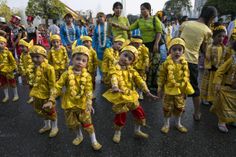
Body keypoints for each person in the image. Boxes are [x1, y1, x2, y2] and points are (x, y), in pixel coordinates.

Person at [45, 46, 102, 150]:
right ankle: (79, 136)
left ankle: (94, 140)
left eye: (83, 60)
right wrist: (51, 99)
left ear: (86, 63)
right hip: (69, 103)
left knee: (88, 123)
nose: (80, 62)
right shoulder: (66, 74)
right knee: (74, 123)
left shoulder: (87, 76)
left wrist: (89, 104)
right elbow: (58, 86)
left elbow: (89, 91)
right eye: (78, 59)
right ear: (72, 59)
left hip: (83, 104)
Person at [103, 45, 157, 143]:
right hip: (119, 95)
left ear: (132, 62)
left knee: (139, 112)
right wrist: (115, 86)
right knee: (120, 115)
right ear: (120, 54)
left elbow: (139, 80)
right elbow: (113, 77)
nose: (126, 59)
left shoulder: (131, 70)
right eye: (125, 55)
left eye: (130, 58)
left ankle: (137, 131)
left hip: (131, 94)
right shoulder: (114, 68)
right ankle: (117, 132)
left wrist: (147, 92)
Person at [179, 6, 217, 120]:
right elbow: (204, 49)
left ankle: (181, 106)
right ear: (210, 17)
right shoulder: (207, 31)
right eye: (213, 18)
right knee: (195, 88)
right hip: (192, 62)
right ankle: (197, 113)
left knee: (181, 84)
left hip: (179, 59)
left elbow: (178, 41)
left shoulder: (185, 24)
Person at [119, 2, 163, 90]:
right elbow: (129, 28)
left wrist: (156, 44)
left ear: (149, 10)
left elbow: (159, 32)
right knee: (145, 65)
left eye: (144, 9)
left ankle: (153, 85)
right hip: (144, 45)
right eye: (141, 9)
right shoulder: (140, 20)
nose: (142, 11)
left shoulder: (154, 19)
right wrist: (118, 26)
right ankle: (145, 84)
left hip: (154, 43)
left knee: (154, 64)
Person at [157, 38, 194, 134]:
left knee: (180, 107)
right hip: (169, 89)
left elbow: (187, 76)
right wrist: (160, 88)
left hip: (180, 90)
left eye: (180, 49)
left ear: (183, 51)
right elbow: (161, 76)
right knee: (167, 107)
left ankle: (178, 123)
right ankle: (166, 124)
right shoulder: (166, 63)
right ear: (170, 51)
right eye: (174, 49)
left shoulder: (184, 63)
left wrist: (186, 90)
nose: (177, 52)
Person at [29, 45, 59, 138]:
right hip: (37, 94)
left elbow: (52, 85)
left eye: (37, 56)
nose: (34, 59)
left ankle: (55, 127)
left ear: (44, 57)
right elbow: (32, 81)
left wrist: (51, 99)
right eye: (32, 56)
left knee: (51, 112)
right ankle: (47, 125)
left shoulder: (49, 68)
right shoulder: (33, 67)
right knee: (42, 111)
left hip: (47, 95)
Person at [210, 40, 236, 133]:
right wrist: (217, 82)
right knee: (224, 105)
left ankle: (232, 120)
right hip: (227, 87)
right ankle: (222, 122)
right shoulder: (232, 59)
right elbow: (220, 71)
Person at [201, 23, 230, 105]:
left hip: (218, 71)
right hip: (211, 70)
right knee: (208, 85)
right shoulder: (210, 47)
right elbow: (207, 58)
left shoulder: (223, 47)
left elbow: (224, 58)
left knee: (215, 86)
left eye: (223, 36)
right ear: (214, 37)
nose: (221, 38)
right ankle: (205, 98)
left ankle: (213, 98)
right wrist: (211, 66)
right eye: (219, 36)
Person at [92, 12, 112, 77]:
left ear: (104, 18)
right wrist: (94, 47)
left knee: (108, 61)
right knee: (100, 63)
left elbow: (112, 36)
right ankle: (102, 76)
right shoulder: (96, 28)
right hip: (99, 48)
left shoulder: (109, 26)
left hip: (108, 47)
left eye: (101, 16)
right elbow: (94, 38)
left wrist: (112, 45)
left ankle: (109, 76)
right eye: (98, 17)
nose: (100, 18)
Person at [0, 36, 19, 102]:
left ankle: (16, 95)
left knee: (12, 83)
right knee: (3, 84)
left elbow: (13, 61)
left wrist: (15, 68)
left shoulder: (8, 53)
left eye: (1, 43)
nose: (0, 45)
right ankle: (6, 96)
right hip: (1, 72)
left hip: (9, 70)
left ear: (5, 44)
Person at [18, 38, 34, 103]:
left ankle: (37, 96)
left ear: (28, 46)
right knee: (30, 85)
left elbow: (32, 64)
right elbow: (21, 63)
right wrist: (22, 71)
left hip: (32, 73)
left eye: (22, 46)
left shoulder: (31, 54)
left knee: (34, 85)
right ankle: (32, 97)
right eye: (20, 47)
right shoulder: (22, 55)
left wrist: (27, 70)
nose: (21, 48)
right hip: (26, 73)